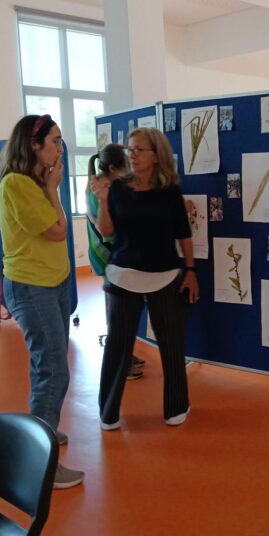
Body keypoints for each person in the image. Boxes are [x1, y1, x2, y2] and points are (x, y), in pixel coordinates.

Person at [0, 114, 84, 489]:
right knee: (54, 369)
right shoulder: (17, 184)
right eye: (55, 141)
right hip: (33, 287)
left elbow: (58, 229)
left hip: (53, 283)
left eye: (61, 141)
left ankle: (40, 427)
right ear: (33, 145)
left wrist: (50, 188)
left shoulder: (36, 182)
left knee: (47, 363)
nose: (60, 148)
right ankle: (41, 463)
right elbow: (58, 230)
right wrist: (52, 189)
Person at [92, 127, 198, 430]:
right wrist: (103, 200)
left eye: (139, 150)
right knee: (118, 346)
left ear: (156, 155)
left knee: (172, 345)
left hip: (165, 276)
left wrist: (191, 271)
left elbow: (183, 234)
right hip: (123, 276)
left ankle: (176, 407)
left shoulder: (170, 191)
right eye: (130, 149)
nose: (133, 155)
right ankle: (108, 412)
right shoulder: (118, 188)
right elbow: (107, 231)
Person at [86, 144, 145, 380]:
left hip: (108, 255)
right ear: (113, 168)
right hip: (108, 255)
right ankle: (120, 363)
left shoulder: (100, 184)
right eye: (126, 165)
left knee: (118, 310)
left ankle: (125, 354)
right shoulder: (102, 189)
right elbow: (109, 230)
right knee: (116, 313)